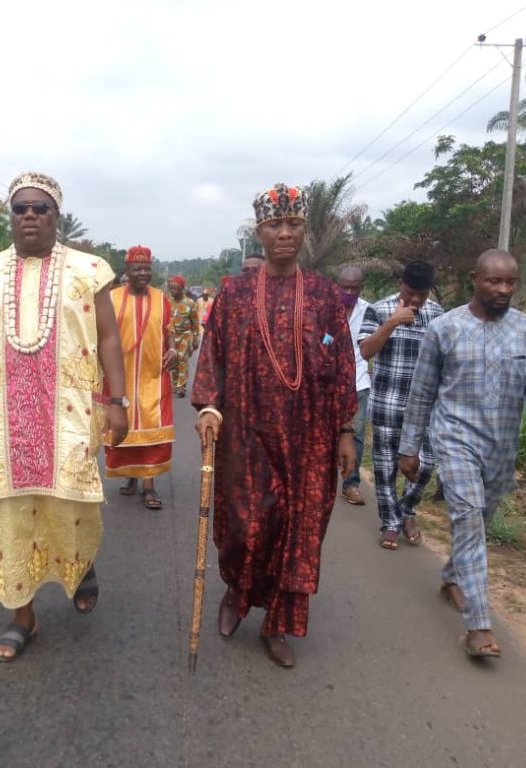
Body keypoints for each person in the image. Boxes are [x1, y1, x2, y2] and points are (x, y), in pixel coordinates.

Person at [0, 172, 128, 662]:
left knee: (73, 508)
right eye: (21, 208)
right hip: (3, 418)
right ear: (11, 215)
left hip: (69, 414)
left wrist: (120, 401)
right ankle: (22, 615)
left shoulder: (91, 270)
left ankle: (81, 564)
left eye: (40, 208)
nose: (30, 216)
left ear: (57, 215)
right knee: (9, 516)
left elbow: (109, 337)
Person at [193, 183, 357, 668]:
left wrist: (346, 429)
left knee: (298, 531)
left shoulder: (326, 295)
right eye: (274, 225)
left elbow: (344, 363)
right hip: (246, 435)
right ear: (259, 231)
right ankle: (236, 594)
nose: (284, 234)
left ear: (303, 229)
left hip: (310, 440)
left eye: (293, 224)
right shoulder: (235, 292)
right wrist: (208, 406)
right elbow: (213, 358)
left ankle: (277, 623)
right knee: (246, 528)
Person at [398, 249, 526, 658]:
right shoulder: (445, 328)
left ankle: (454, 575)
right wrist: (410, 446)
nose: (503, 289)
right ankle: (479, 626)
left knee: (480, 519)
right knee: (469, 515)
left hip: (501, 446)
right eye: (494, 281)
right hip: (454, 438)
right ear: (475, 278)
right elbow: (421, 391)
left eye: (510, 282)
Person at [358, 261, 444, 550]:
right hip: (386, 405)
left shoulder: (437, 315)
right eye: (410, 292)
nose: (416, 300)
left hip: (424, 410)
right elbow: (366, 350)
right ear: (401, 284)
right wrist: (393, 321)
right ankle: (390, 524)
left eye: (421, 294)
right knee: (385, 470)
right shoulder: (379, 309)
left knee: (425, 465)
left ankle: (407, 511)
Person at [105, 248, 176, 509]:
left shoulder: (160, 299)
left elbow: (168, 330)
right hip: (120, 378)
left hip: (153, 377)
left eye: (147, 268)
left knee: (153, 429)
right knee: (125, 429)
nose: (144, 273)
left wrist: (172, 349)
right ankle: (132, 477)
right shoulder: (111, 299)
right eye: (138, 269)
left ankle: (149, 485)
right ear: (127, 272)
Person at [337, 265, 371, 506]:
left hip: (358, 380)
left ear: (361, 288)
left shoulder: (369, 311)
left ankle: (351, 484)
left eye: (354, 288)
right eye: (344, 287)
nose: (349, 292)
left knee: (356, 434)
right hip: (328, 383)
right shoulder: (325, 308)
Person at [168, 275, 200, 398]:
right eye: (171, 289)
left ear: (182, 289)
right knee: (174, 360)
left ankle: (181, 386)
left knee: (182, 359)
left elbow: (195, 322)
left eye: (175, 289)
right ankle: (176, 385)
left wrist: (195, 338)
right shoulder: (168, 303)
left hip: (185, 336)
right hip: (171, 336)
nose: (172, 292)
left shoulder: (190, 303)